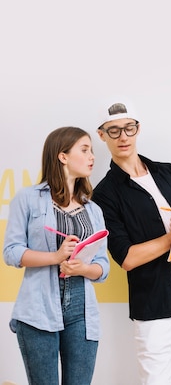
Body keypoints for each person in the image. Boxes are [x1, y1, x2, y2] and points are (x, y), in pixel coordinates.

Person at [91, 101, 171, 385]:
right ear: (102, 136)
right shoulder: (104, 195)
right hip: (154, 314)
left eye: (129, 128)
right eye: (114, 131)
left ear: (138, 130)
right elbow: (126, 257)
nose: (123, 136)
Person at [3, 126, 110, 385]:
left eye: (92, 151)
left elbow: (102, 267)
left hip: (82, 313)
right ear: (62, 156)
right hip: (38, 310)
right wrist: (56, 257)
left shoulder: (93, 209)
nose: (92, 157)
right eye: (84, 150)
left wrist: (82, 268)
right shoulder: (28, 198)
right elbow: (11, 252)